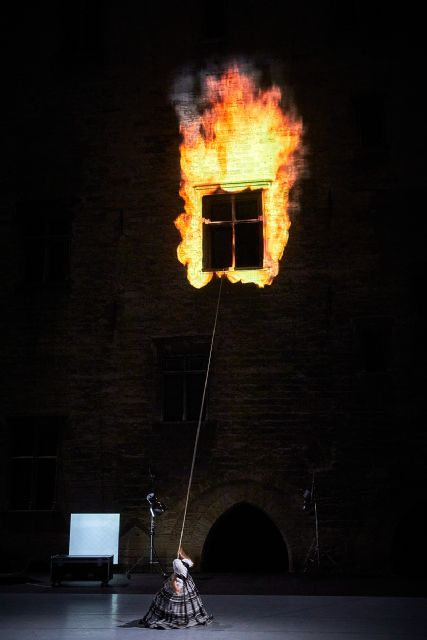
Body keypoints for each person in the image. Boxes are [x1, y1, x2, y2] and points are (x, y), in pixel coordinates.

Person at [139, 547, 213, 629]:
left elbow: (176, 589)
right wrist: (182, 554)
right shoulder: (185, 565)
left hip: (180, 585)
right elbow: (190, 561)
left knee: (174, 603)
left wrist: (174, 584)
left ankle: (177, 618)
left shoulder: (178, 578)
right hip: (183, 582)